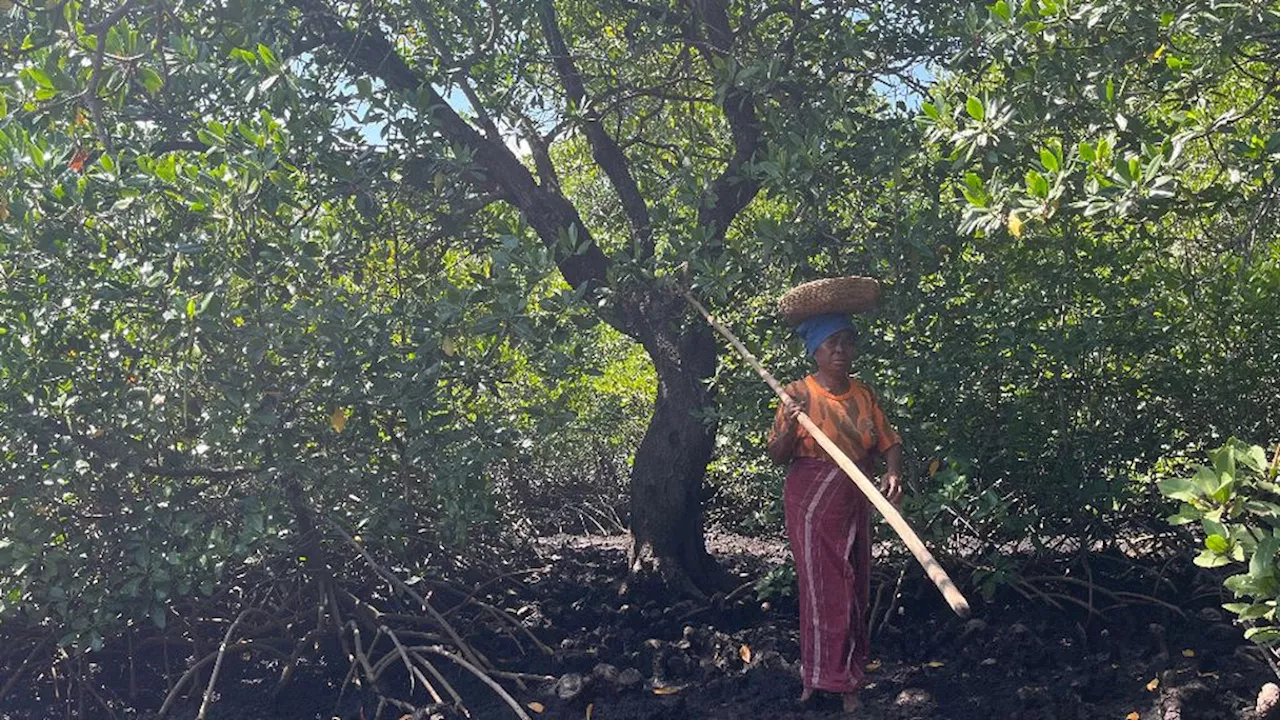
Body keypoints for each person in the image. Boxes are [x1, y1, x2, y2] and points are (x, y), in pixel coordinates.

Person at [766, 313, 903, 715]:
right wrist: (791, 426)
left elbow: (888, 441)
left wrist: (893, 471)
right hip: (812, 497)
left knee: (855, 579)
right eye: (831, 344)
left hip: (855, 493)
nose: (841, 351)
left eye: (847, 343)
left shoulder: (863, 395)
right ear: (816, 352)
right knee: (825, 586)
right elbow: (777, 454)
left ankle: (848, 674)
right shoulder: (797, 394)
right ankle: (821, 678)